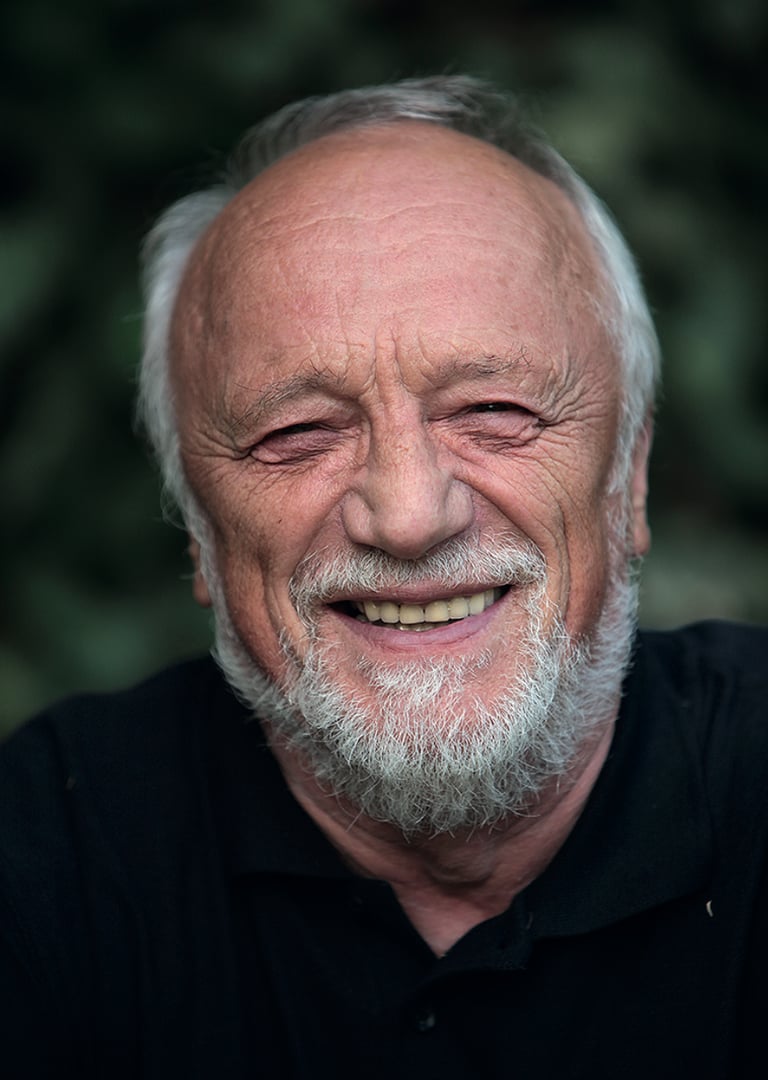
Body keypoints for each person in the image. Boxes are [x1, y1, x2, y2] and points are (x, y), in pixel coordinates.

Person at [1, 75, 765, 1078]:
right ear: (199, 528)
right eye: (297, 432)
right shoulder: (48, 854)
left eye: (494, 411)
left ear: (629, 478)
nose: (408, 516)